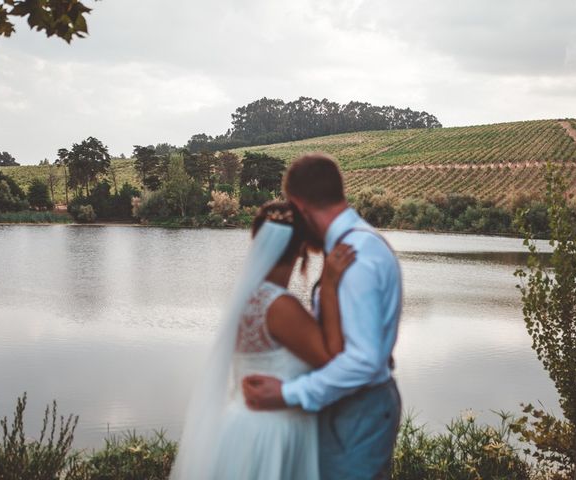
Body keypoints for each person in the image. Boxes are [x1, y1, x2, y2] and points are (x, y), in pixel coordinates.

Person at [243, 153, 403, 479]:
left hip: (358, 411)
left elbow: (363, 360)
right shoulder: (352, 246)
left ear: (300, 206)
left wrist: (288, 393)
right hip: (349, 409)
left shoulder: (355, 255)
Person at [169, 200, 355, 480]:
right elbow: (335, 362)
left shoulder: (246, 297)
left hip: (240, 427)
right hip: (274, 434)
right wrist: (329, 285)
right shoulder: (279, 306)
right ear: (301, 250)